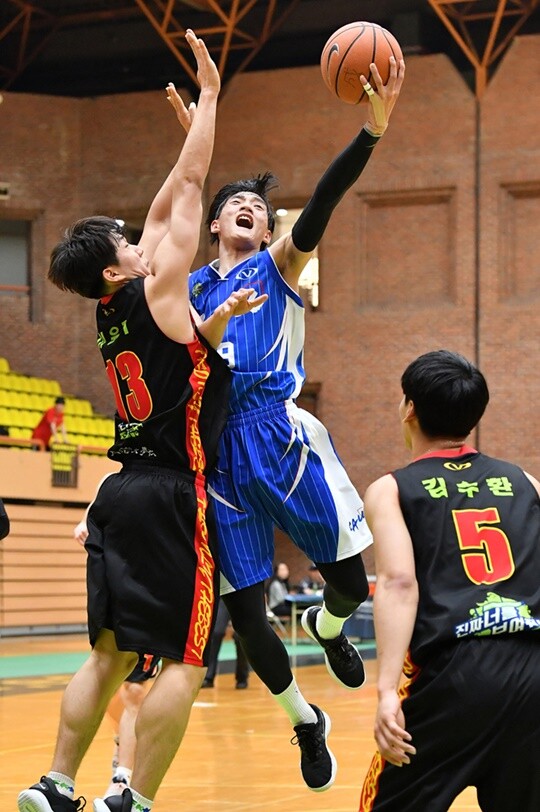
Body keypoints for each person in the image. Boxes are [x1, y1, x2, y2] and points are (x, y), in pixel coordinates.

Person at [18, 30, 266, 812]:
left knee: (106, 656)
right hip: (170, 495)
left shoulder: (112, 309)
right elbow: (186, 191)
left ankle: (56, 784)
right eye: (125, 241)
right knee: (187, 660)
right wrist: (213, 99)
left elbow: (167, 201)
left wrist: (191, 138)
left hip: (119, 492)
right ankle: (133, 801)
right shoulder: (159, 292)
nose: (138, 238)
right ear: (114, 266)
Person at [188, 56, 405, 792]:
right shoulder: (189, 286)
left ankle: (328, 626)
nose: (253, 208)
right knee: (246, 614)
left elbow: (323, 204)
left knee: (347, 582)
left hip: (280, 433)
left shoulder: (278, 265)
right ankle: (305, 722)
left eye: (261, 205)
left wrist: (370, 134)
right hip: (218, 454)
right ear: (216, 222)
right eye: (238, 203)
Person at [358, 350, 540, 812]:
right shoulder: (526, 482)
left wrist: (385, 692)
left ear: (409, 408)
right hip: (532, 672)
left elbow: (399, 583)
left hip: (454, 677)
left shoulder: (391, 489)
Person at [73, 508, 161, 798]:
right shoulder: (115, 488)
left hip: (154, 592)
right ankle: (122, 739)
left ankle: (121, 777)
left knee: (134, 690)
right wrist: (84, 520)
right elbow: (99, 498)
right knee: (110, 685)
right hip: (116, 588)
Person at [201, 600, 250, 689]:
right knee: (216, 632)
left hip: (243, 596)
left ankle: (242, 677)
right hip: (223, 597)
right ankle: (208, 677)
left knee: (240, 636)